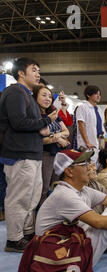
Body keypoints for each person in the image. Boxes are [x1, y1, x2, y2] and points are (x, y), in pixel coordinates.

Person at [0, 57, 57, 252]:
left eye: (38, 70)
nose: (38, 73)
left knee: (31, 198)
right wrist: (44, 122)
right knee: (19, 198)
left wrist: (42, 126)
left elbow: (30, 125)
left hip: (32, 154)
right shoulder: (15, 92)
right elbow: (19, 123)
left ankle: (26, 233)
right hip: (19, 154)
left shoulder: (27, 95)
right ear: (21, 73)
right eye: (33, 69)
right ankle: (14, 239)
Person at [34, 85, 70, 208]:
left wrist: (56, 136)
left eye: (49, 96)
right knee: (43, 189)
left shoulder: (53, 113)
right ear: (35, 96)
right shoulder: (36, 116)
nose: (48, 99)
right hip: (44, 154)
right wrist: (57, 138)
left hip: (57, 154)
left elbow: (67, 132)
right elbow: (39, 139)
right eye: (44, 95)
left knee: (56, 186)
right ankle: (40, 218)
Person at [75, 85, 104, 163]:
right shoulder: (82, 107)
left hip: (99, 140)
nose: (98, 96)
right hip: (87, 142)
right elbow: (81, 125)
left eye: (99, 94)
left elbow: (101, 127)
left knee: (96, 165)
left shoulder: (99, 109)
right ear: (88, 95)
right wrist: (87, 141)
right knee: (88, 166)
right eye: (96, 94)